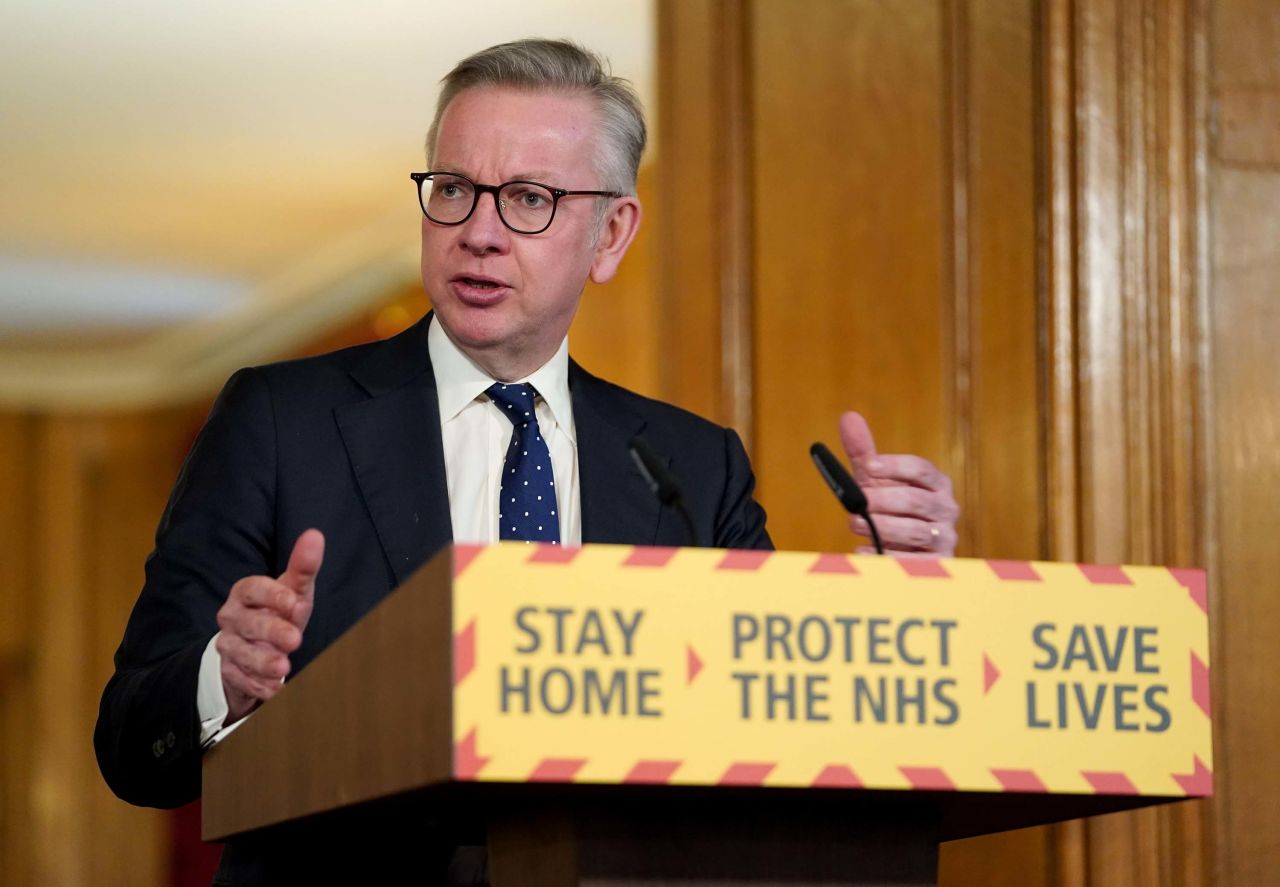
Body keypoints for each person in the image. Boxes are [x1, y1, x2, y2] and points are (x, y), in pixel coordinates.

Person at [95, 38, 959, 883]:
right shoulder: (281, 420)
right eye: (455, 189)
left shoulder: (693, 469)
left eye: (530, 199)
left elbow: (774, 727)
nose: (479, 231)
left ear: (611, 234)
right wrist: (225, 676)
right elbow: (133, 742)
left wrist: (899, 604)